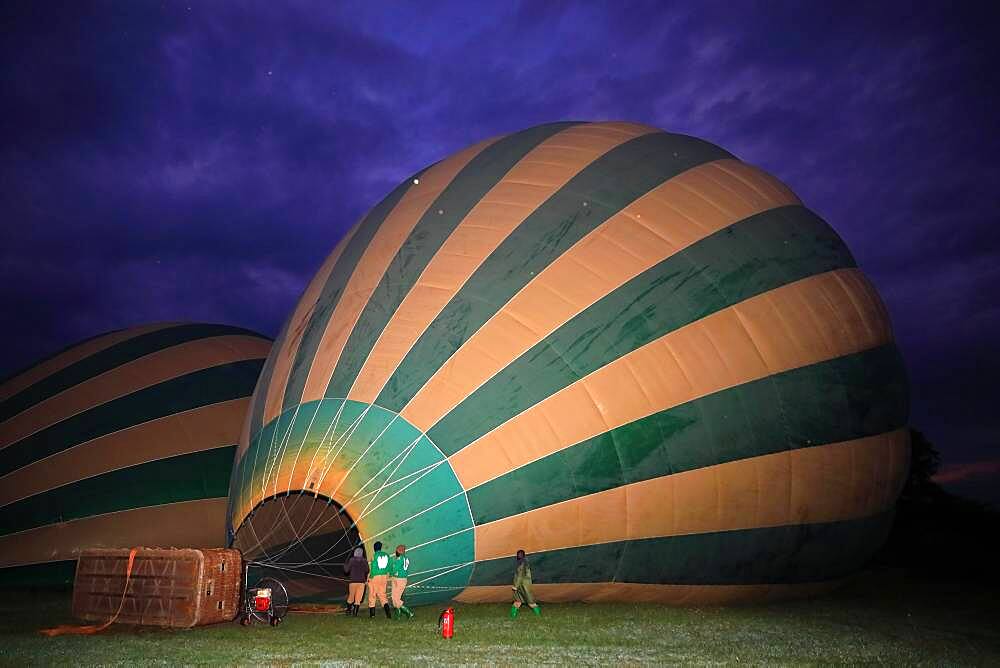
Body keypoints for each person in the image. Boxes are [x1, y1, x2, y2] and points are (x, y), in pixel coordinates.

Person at [510, 549, 541, 618]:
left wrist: (516, 586)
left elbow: (520, 575)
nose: (519, 555)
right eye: (518, 554)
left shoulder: (522, 563)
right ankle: (512, 616)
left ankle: (538, 614)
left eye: (520, 554)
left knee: (530, 601)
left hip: (523, 586)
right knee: (518, 601)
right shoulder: (524, 562)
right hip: (522, 586)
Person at [367, 540, 392, 618]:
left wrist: (370, 577)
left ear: (374, 548)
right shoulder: (387, 555)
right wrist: (389, 574)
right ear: (380, 548)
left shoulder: (374, 556)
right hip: (384, 576)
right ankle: (388, 614)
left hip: (375, 577)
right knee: (382, 595)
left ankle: (372, 615)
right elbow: (390, 566)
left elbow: (373, 567)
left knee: (372, 595)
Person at [342, 547, 368, 617]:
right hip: (361, 583)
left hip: (353, 582)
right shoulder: (364, 561)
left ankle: (348, 611)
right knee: (358, 599)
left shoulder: (352, 560)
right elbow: (367, 570)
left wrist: (344, 566)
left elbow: (346, 570)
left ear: (355, 553)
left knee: (351, 597)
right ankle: (355, 614)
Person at [388, 544, 413, 619]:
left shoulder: (400, 559)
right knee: (394, 597)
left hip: (399, 579)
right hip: (400, 579)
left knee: (396, 598)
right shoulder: (406, 558)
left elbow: (395, 569)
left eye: (396, 550)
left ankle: (409, 613)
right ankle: (398, 616)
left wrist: (390, 573)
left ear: (398, 551)